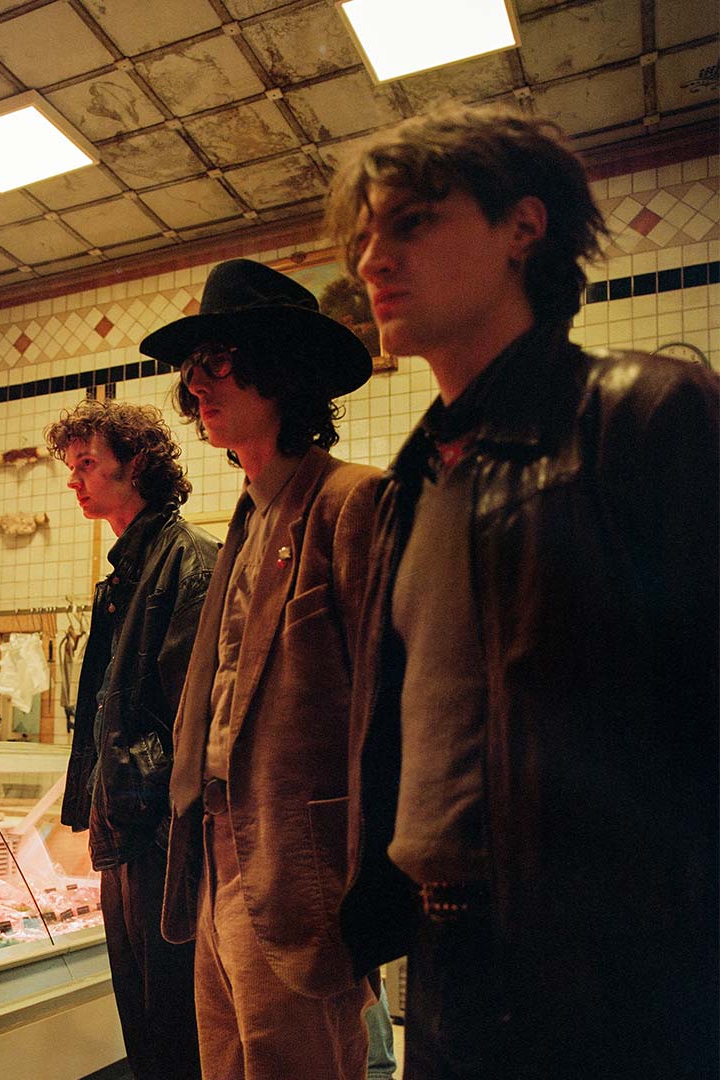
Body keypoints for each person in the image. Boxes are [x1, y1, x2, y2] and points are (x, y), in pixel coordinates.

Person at [326, 104, 719, 1079]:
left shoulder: (646, 414)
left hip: (614, 977)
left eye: (412, 221)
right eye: (364, 236)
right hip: (444, 962)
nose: (372, 260)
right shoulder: (410, 485)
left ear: (523, 227)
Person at [141, 258, 380, 1079]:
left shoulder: (352, 501)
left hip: (299, 872)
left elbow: (390, 712)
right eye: (191, 368)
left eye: (217, 362)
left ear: (282, 369)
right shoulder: (244, 519)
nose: (195, 384)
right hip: (213, 859)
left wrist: (372, 891)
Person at [46, 398, 218, 1080]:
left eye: (87, 463)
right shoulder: (123, 575)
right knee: (144, 1028)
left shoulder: (191, 563)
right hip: (126, 832)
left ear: (138, 463)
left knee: (175, 1030)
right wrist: (92, 806)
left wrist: (138, 805)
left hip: (164, 839)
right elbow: (105, 714)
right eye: (71, 466)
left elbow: (192, 720)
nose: (75, 479)